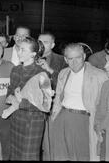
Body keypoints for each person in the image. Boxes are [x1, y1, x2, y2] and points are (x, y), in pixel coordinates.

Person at [50, 43, 108, 161]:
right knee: (61, 155)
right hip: (62, 117)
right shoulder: (63, 73)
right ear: (66, 59)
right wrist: (54, 117)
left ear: (84, 56)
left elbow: (105, 103)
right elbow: (58, 98)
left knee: (81, 156)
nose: (74, 62)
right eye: (70, 59)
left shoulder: (99, 75)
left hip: (83, 119)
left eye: (78, 58)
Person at [6, 37, 48, 160]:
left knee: (29, 157)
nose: (19, 52)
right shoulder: (15, 69)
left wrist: (20, 103)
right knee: (15, 156)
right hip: (16, 120)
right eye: (19, 49)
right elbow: (9, 93)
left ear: (33, 54)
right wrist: (11, 99)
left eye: (23, 50)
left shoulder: (42, 74)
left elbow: (46, 104)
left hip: (33, 122)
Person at [37, 32, 67, 160]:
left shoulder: (62, 60)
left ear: (53, 45)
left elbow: (66, 80)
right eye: (39, 41)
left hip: (54, 107)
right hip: (36, 106)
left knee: (52, 142)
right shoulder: (30, 57)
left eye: (46, 42)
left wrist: (50, 70)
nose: (41, 45)